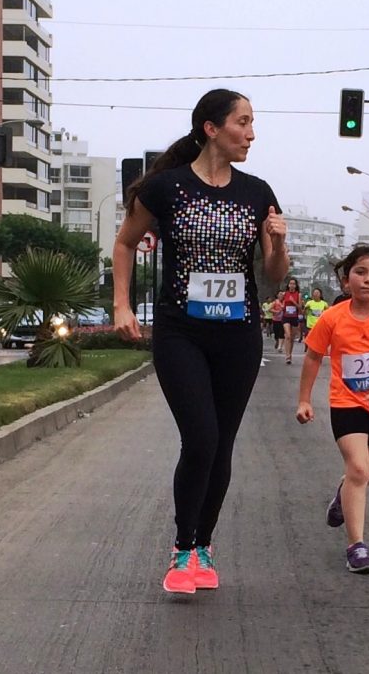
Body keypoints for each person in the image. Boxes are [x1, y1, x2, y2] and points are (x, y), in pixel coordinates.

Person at [113, 89, 289, 595]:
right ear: (212, 128)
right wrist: (122, 305)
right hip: (181, 332)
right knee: (202, 437)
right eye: (243, 122)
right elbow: (126, 242)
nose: (252, 133)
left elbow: (274, 277)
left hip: (238, 334)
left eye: (253, 123)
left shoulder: (257, 192)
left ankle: (204, 547)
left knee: (223, 445)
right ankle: (182, 546)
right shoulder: (167, 188)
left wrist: (276, 242)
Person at [296, 245, 369, 574]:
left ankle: (342, 495)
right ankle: (356, 546)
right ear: (346, 280)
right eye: (360, 272)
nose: (368, 279)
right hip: (346, 403)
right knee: (360, 470)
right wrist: (305, 399)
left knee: (365, 474)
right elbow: (312, 357)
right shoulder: (333, 318)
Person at [282, 277, 302, 364]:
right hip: (286, 317)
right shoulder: (284, 294)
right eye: (290, 283)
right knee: (288, 335)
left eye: (294, 284)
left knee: (292, 338)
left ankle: (290, 354)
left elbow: (300, 308)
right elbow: (280, 303)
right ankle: (287, 356)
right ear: (288, 285)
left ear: (296, 285)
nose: (292, 285)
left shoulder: (298, 294)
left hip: (294, 317)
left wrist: (294, 302)